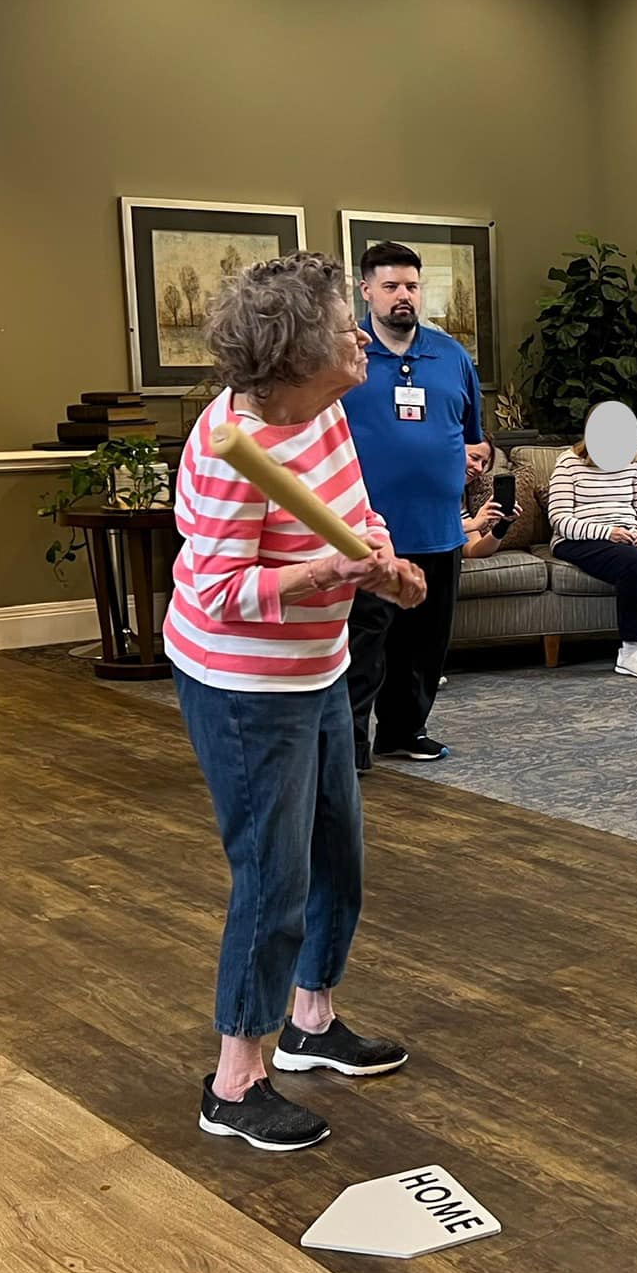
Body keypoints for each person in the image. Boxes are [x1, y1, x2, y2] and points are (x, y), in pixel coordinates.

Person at [166, 251, 426, 1152]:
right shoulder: (230, 450)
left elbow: (353, 510)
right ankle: (235, 1080)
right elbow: (216, 591)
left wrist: (383, 563)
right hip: (242, 685)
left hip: (316, 666)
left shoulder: (324, 410)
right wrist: (327, 571)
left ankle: (313, 1019)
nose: (360, 334)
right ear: (292, 358)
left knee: (337, 857)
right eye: (338, 330)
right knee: (272, 879)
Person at [341, 242, 483, 768]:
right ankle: (350, 746)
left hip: (439, 529)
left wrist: (476, 457)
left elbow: (473, 436)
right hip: (368, 533)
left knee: (424, 647)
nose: (403, 296)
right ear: (366, 291)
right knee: (364, 648)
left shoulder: (451, 356)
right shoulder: (347, 358)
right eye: (391, 286)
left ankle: (403, 731)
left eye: (412, 286)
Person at [548, 440, 637, 677]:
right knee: (634, 562)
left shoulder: (632, 465)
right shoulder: (568, 464)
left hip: (628, 533)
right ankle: (630, 652)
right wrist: (606, 533)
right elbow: (560, 520)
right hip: (578, 539)